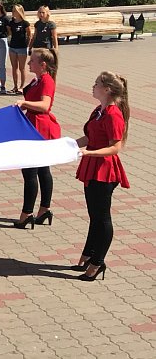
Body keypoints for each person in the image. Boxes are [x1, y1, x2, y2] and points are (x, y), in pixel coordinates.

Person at [72, 71, 130, 281]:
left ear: (106, 89)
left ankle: (98, 262)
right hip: (92, 165)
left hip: (104, 170)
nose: (93, 86)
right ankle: (89, 255)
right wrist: (68, 144)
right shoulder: (99, 110)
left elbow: (115, 147)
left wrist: (90, 153)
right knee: (94, 216)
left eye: (96, 84)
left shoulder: (114, 114)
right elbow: (90, 137)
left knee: (102, 217)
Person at [13, 48, 61, 230]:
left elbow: (45, 105)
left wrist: (24, 103)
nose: (28, 63)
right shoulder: (38, 79)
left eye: (32, 61)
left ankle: (27, 214)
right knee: (42, 169)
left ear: (43, 65)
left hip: (39, 129)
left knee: (30, 171)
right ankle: (43, 210)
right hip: (34, 126)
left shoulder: (47, 81)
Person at [8, 4, 31, 94]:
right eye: (13, 10)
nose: (13, 12)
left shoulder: (25, 23)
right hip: (13, 47)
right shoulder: (11, 23)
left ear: (19, 12)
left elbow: (29, 35)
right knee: (14, 67)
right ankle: (15, 86)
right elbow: (9, 33)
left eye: (15, 10)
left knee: (22, 68)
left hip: (22, 47)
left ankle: (22, 86)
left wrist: (27, 45)